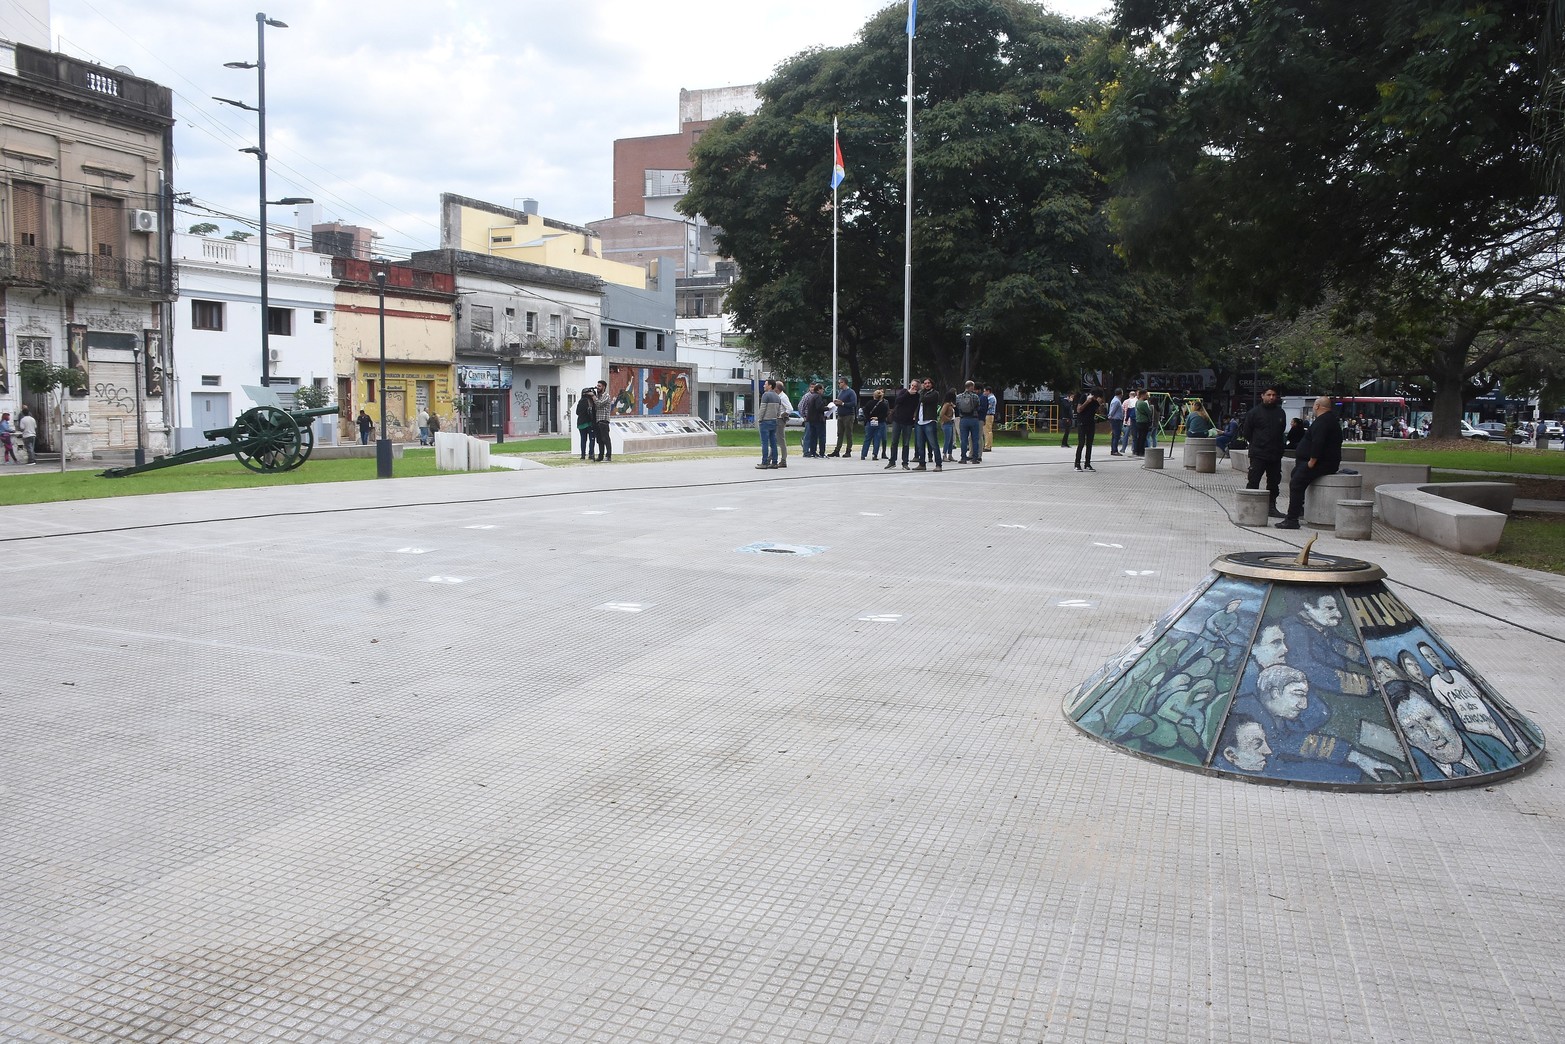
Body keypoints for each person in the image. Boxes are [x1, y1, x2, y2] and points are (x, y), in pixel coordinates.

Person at [1276, 395, 1343, 530]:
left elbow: (1318, 442)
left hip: (1319, 463)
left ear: (1317, 406)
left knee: (1296, 483)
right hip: (1316, 461)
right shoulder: (1328, 420)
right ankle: (1298, 510)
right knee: (1296, 476)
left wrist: (1312, 461)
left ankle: (1292, 519)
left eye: (1314, 405)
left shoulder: (1323, 422)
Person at [1241, 386, 1288, 519]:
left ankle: (1271, 507)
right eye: (1269, 394)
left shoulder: (1280, 413)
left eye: (1274, 395)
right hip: (1258, 453)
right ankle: (1250, 507)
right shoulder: (1254, 413)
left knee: (1274, 482)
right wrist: (1258, 443)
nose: (1271, 397)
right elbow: (1247, 433)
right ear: (1262, 396)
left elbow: (1281, 430)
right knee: (1253, 480)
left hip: (1275, 453)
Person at [886, 379, 919, 469]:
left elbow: (917, 407)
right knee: (894, 441)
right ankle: (892, 461)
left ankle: (905, 463)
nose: (913, 387)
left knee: (906, 443)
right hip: (897, 419)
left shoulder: (917, 396)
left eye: (915, 386)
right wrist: (908, 393)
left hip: (908, 422)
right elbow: (898, 401)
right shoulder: (904, 392)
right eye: (912, 385)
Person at [914, 377, 943, 471]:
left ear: (932, 384)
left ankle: (938, 464)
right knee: (920, 444)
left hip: (929, 421)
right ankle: (922, 464)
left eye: (928, 383)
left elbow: (923, 399)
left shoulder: (934, 393)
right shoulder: (922, 393)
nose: (926, 385)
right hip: (920, 422)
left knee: (933, 444)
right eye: (925, 383)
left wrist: (921, 391)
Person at [956, 381, 984, 464]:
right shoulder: (975, 396)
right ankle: (975, 458)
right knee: (975, 439)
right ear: (971, 387)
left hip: (963, 419)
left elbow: (958, 406)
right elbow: (978, 406)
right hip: (973, 419)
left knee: (964, 439)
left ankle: (963, 458)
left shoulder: (959, 396)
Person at [1074, 388, 1102, 472]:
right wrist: (1087, 402)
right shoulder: (1084, 397)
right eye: (1096, 397)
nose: (1096, 398)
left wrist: (1100, 404)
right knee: (1081, 443)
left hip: (1091, 423)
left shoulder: (1096, 402)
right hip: (1082, 422)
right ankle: (1077, 464)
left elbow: (1099, 412)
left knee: (1089, 444)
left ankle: (1087, 463)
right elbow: (1079, 410)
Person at [756, 379, 783, 469]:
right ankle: (774, 462)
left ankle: (764, 462)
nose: (764, 386)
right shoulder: (777, 396)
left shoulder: (766, 395)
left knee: (764, 443)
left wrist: (759, 419)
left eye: (765, 384)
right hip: (774, 421)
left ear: (770, 386)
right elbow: (779, 411)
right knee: (773, 443)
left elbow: (762, 409)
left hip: (765, 421)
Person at [829, 377, 857, 457]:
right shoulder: (841, 392)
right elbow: (840, 402)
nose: (839, 384)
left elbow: (854, 403)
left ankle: (848, 450)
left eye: (840, 383)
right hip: (840, 415)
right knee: (839, 433)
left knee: (848, 433)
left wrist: (843, 404)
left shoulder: (851, 392)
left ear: (844, 383)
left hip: (848, 415)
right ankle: (837, 450)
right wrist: (837, 403)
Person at [860, 388, 889, 460]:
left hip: (870, 422)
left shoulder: (869, 403)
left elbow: (865, 411)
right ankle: (874, 454)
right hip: (879, 423)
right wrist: (878, 418)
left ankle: (863, 454)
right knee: (877, 439)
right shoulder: (883, 405)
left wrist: (869, 418)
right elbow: (885, 414)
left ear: (874, 395)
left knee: (867, 438)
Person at [592, 378, 614, 461]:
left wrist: (593, 397)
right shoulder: (597, 396)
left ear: (604, 387)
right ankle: (600, 456)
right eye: (597, 386)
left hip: (604, 420)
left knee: (606, 439)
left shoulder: (606, 396)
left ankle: (608, 456)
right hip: (597, 420)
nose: (597, 387)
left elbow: (599, 404)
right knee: (599, 440)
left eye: (599, 386)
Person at [574, 388, 596, 460]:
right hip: (590, 423)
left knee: (583, 439)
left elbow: (577, 412)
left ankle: (583, 455)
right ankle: (591, 454)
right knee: (591, 439)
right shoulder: (591, 402)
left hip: (581, 423)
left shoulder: (580, 401)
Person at [1131, 391, 1152, 456]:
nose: (1147, 396)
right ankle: (1141, 451)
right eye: (1146, 395)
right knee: (1143, 437)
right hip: (1144, 422)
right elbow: (1149, 412)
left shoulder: (1137, 402)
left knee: (1139, 437)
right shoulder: (1143, 404)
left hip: (1138, 421)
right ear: (1142, 395)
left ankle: (1137, 450)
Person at [939, 389, 957, 462]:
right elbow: (941, 414)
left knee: (951, 440)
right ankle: (944, 454)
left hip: (951, 423)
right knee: (947, 440)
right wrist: (948, 419)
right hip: (947, 423)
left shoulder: (950, 404)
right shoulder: (946, 404)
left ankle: (950, 454)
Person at [1106, 388, 1125, 456]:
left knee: (1115, 435)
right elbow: (1113, 410)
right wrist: (1110, 415)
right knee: (1116, 435)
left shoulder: (1116, 400)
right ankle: (1114, 450)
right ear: (1120, 393)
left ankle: (1113, 449)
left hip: (1116, 419)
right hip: (1116, 419)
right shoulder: (1117, 401)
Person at [982, 385, 998, 453]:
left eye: (985, 391)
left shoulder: (991, 398)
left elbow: (988, 406)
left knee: (987, 431)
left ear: (988, 391)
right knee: (988, 431)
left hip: (988, 415)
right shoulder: (991, 397)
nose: (984, 393)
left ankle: (987, 446)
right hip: (989, 415)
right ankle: (988, 445)